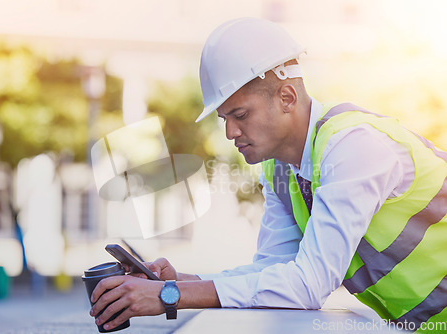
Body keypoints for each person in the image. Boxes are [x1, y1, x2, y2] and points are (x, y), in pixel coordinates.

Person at [89, 17, 447, 332]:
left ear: (287, 97)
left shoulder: (354, 147)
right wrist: (176, 280)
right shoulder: (280, 171)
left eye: (240, 115)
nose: (229, 133)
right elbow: (274, 275)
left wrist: (170, 296)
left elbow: (308, 286)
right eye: (224, 118)